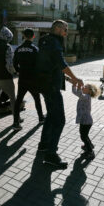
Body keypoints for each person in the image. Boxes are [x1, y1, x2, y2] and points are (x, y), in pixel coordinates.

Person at [37, 20, 83, 168]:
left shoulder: (43, 40)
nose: (66, 32)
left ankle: (43, 145)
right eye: (65, 29)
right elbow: (61, 63)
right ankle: (51, 154)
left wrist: (68, 79)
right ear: (57, 28)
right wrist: (76, 78)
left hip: (44, 84)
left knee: (51, 115)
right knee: (60, 120)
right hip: (51, 86)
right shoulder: (55, 42)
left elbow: (50, 64)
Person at [12, 28, 44, 130]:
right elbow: (39, 65)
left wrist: (18, 71)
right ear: (33, 36)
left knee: (18, 101)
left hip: (22, 78)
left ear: (24, 36)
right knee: (37, 99)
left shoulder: (18, 49)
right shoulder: (35, 49)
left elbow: (14, 64)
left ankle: (16, 123)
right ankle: (41, 118)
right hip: (33, 79)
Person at [72, 82, 100, 159]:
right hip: (84, 120)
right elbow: (76, 92)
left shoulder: (87, 97)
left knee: (83, 136)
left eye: (85, 87)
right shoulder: (84, 96)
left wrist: (78, 86)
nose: (83, 87)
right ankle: (89, 145)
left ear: (89, 91)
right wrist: (74, 85)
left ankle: (90, 152)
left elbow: (79, 94)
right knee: (84, 135)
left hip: (86, 121)